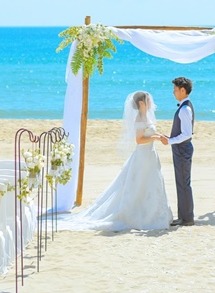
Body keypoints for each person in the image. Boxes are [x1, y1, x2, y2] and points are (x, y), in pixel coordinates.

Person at [61, 91, 173, 231]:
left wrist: (160, 135)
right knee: (140, 184)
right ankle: (139, 216)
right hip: (143, 156)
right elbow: (139, 140)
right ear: (141, 103)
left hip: (150, 155)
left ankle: (153, 214)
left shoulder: (146, 117)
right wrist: (155, 138)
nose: (152, 103)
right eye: (148, 100)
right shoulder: (139, 119)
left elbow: (148, 133)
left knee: (152, 183)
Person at [158, 76, 195, 227]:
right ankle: (184, 217)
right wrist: (170, 137)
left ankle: (186, 219)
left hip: (182, 149)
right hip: (181, 148)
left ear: (182, 90)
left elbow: (187, 134)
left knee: (183, 183)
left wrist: (170, 141)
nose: (173, 92)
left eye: (175, 89)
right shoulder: (184, 107)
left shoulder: (185, 109)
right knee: (182, 182)